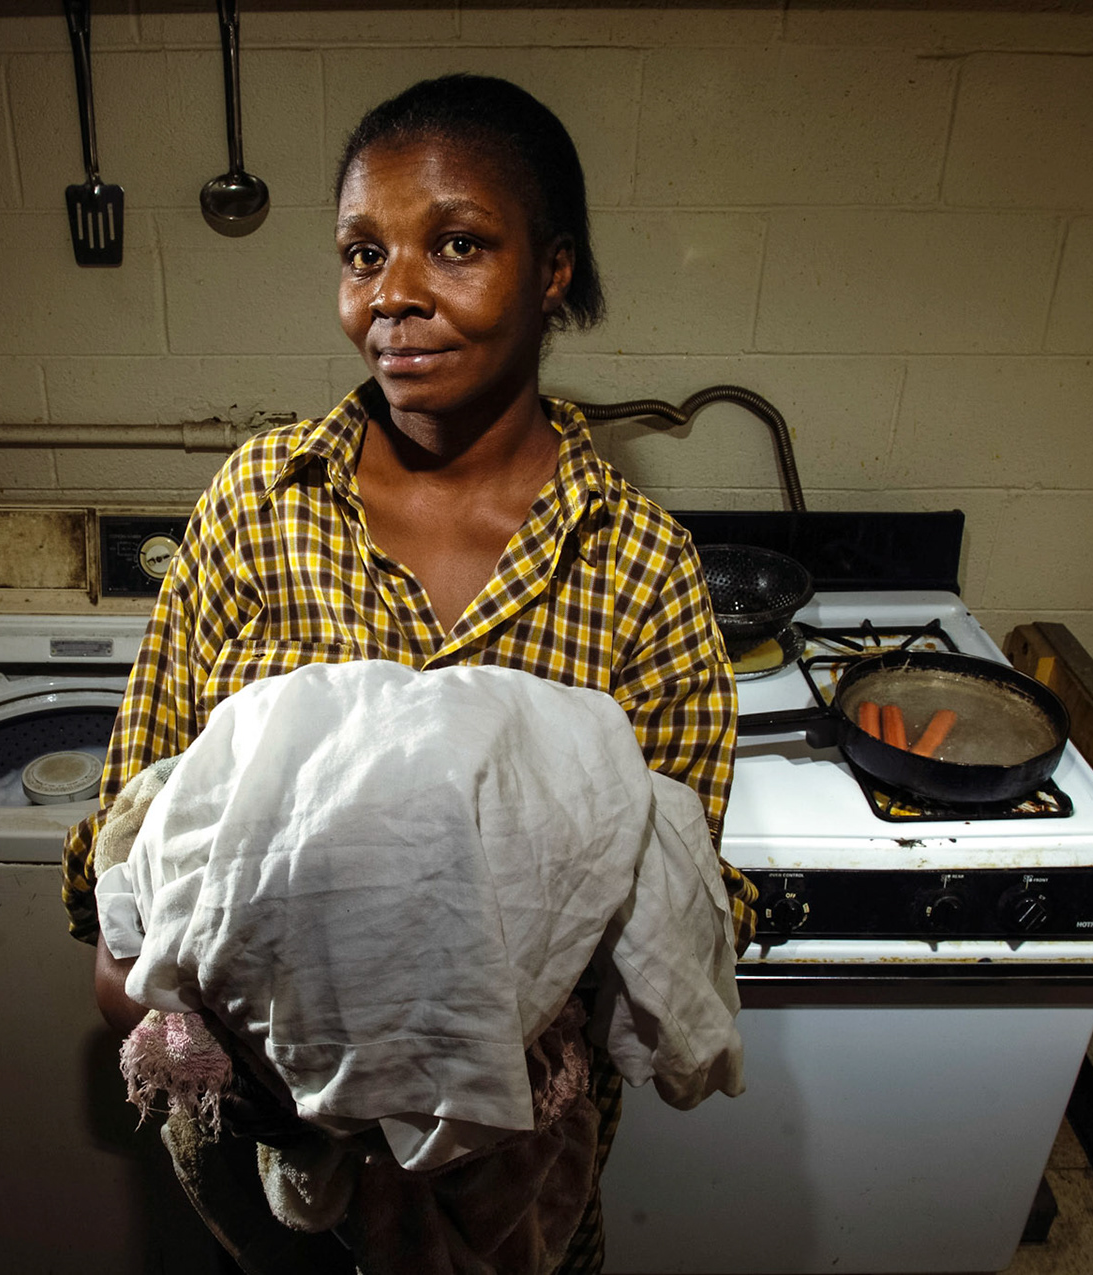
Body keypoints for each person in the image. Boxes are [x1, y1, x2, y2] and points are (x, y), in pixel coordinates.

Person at [64, 72, 757, 1274]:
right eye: (360, 252)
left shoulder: (642, 568)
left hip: (517, 1195)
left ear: (551, 270)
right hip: (270, 1191)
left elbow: (683, 914)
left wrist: (448, 1049)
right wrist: (280, 1080)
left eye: (456, 244)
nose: (391, 294)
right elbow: (117, 890)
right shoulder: (260, 508)